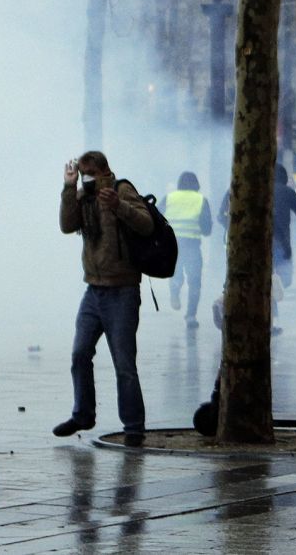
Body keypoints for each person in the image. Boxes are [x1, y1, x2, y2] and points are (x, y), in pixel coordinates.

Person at [55, 151, 155, 446]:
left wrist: (119, 206)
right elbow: (66, 225)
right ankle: (83, 414)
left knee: (124, 363)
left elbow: (146, 224)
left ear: (104, 170)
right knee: (79, 354)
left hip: (122, 291)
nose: (86, 178)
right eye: (81, 173)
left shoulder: (121, 190)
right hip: (93, 290)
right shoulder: (83, 195)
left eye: (89, 173)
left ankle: (134, 427)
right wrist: (68, 188)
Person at [164, 171, 213, 328]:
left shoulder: (169, 198)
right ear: (196, 184)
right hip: (192, 245)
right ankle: (191, 316)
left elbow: (155, 216)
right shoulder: (201, 200)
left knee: (176, 273)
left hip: (172, 245)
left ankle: (175, 290)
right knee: (194, 282)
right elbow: (206, 229)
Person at [272, 164, 296, 289]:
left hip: (261, 242)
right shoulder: (287, 191)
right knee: (284, 281)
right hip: (281, 242)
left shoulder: (260, 191)